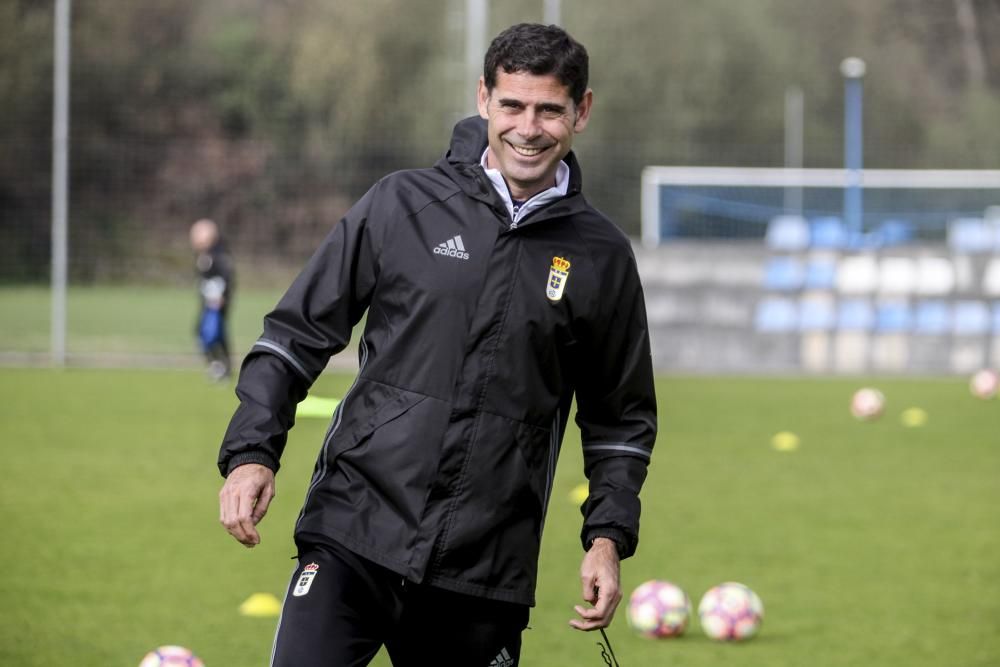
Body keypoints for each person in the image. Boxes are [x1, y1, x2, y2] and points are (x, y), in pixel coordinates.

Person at [217, 23, 656, 667]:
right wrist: (252, 452)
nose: (528, 128)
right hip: (355, 529)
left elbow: (619, 419)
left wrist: (608, 536)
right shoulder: (401, 205)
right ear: (484, 98)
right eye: (512, 104)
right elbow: (294, 336)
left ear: (581, 111)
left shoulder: (602, 256)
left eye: (549, 110)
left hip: (486, 565)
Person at [190, 218, 234, 381]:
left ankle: (223, 366)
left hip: (217, 304)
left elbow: (226, 278)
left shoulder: (219, 254)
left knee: (216, 334)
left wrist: (220, 297)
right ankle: (217, 364)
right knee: (202, 332)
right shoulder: (203, 255)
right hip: (207, 302)